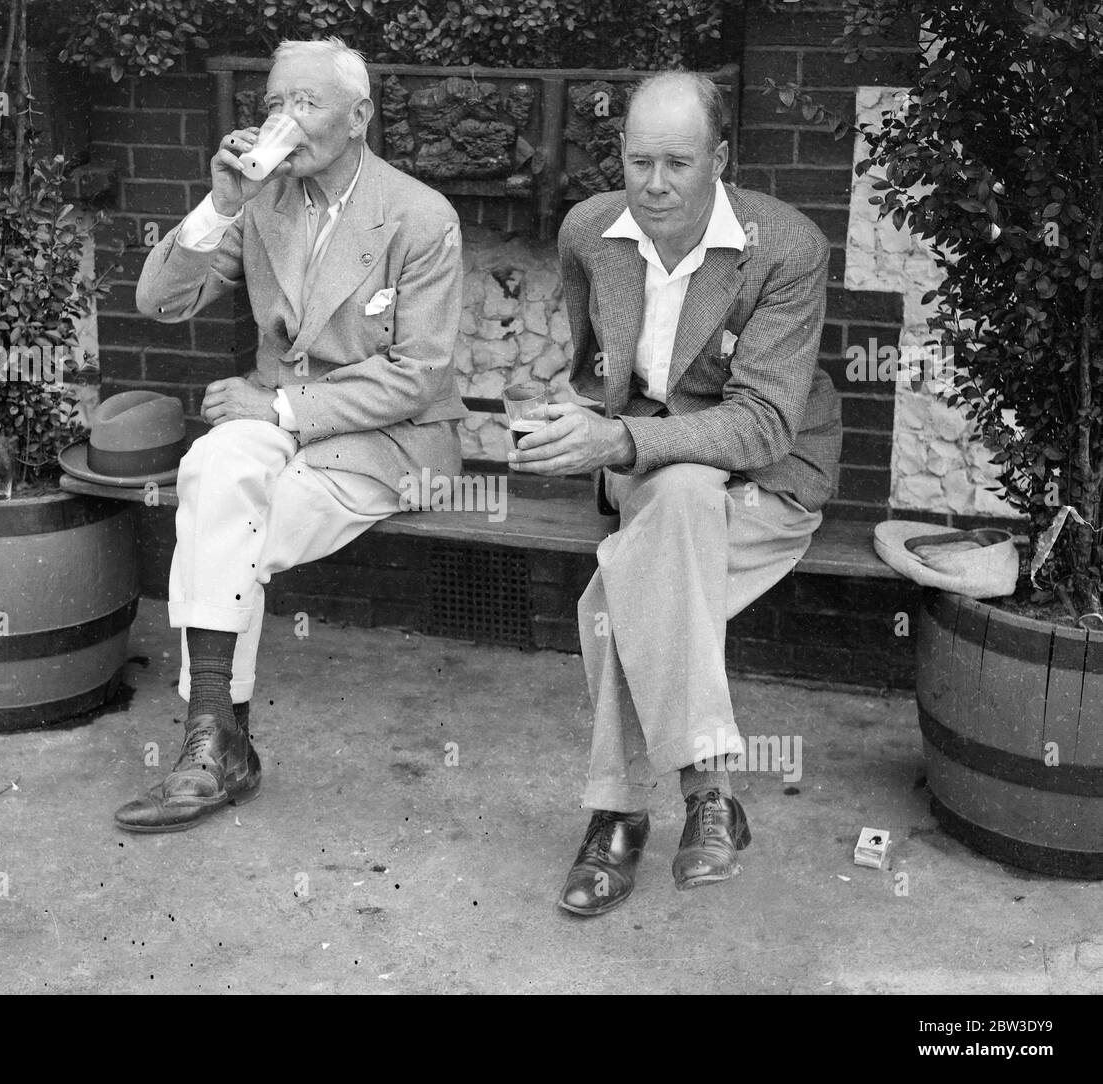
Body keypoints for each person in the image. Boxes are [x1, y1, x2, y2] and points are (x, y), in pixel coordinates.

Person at [510, 71, 841, 915]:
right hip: (649, 480)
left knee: (619, 593)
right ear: (618, 154)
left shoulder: (785, 247)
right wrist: (568, 419)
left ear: (721, 160)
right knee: (679, 500)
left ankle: (617, 815)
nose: (655, 185)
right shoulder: (590, 230)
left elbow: (764, 422)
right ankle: (709, 798)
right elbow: (596, 371)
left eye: (679, 164)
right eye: (639, 160)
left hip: (767, 485)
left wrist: (618, 439)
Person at [117, 37, 464, 832]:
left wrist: (279, 409)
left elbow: (417, 374)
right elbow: (158, 302)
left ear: (359, 116)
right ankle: (214, 739)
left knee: (226, 525)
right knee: (212, 466)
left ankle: (218, 744)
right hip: (280, 419)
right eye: (274, 104)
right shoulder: (262, 203)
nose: (284, 120)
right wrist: (221, 205)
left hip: (393, 437)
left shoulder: (420, 216)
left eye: (305, 104)